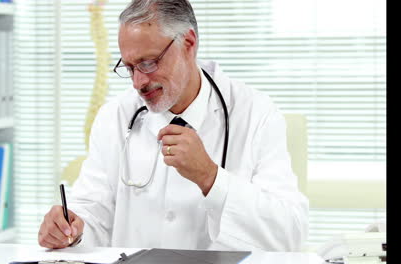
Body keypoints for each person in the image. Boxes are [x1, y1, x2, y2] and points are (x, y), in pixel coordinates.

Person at [38, 0, 309, 252]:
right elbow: (92, 211)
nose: (138, 83)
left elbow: (290, 232)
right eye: (130, 67)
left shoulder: (255, 113)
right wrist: (70, 228)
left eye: (148, 63)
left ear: (188, 43)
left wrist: (210, 178)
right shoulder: (115, 116)